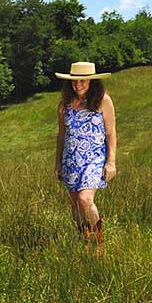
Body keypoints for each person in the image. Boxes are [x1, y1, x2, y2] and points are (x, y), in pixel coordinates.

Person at [54, 62, 117, 255]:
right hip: (71, 160)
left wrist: (111, 162)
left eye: (82, 80)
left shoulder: (103, 101)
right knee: (75, 204)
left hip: (94, 159)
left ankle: (99, 241)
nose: (78, 84)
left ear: (92, 80)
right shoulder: (65, 105)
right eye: (74, 81)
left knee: (85, 199)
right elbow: (61, 135)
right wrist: (58, 163)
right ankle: (84, 238)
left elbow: (110, 133)